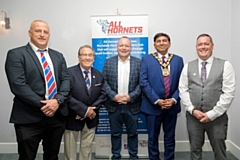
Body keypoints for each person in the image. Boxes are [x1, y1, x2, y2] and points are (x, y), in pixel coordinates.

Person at [5, 20, 70, 160]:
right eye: (38, 31)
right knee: (27, 157)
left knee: (52, 156)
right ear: (30, 33)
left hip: (56, 117)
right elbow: (18, 85)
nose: (42, 34)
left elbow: (66, 80)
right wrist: (46, 104)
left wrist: (57, 101)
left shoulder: (58, 56)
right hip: (28, 117)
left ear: (49, 35)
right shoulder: (16, 54)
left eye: (45, 32)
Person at [179, 33, 236, 160]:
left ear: (212, 46)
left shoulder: (225, 65)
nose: (203, 47)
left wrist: (212, 114)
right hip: (194, 118)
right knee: (195, 151)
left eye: (206, 44)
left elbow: (228, 92)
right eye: (200, 44)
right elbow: (183, 90)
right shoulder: (188, 66)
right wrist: (192, 110)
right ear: (196, 47)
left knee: (219, 151)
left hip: (217, 118)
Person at [140, 33, 184, 160]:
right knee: (152, 138)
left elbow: (183, 82)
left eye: (164, 41)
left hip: (172, 106)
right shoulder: (147, 59)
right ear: (154, 45)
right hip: (152, 107)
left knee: (170, 137)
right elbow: (143, 82)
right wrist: (157, 100)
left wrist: (174, 99)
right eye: (158, 41)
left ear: (169, 43)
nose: (161, 43)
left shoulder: (178, 60)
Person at [64, 45, 107, 160]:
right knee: (70, 151)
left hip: (91, 118)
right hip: (73, 117)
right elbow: (66, 95)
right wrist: (84, 110)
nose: (87, 58)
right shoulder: (68, 73)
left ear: (94, 58)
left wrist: (90, 111)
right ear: (79, 57)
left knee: (86, 150)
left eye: (90, 55)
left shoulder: (99, 75)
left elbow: (103, 95)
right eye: (84, 55)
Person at [102, 36, 142, 160]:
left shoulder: (138, 62)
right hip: (114, 105)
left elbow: (142, 83)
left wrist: (131, 97)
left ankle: (133, 157)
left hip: (132, 105)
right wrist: (114, 96)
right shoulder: (109, 61)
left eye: (126, 46)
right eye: (121, 45)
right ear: (117, 47)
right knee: (115, 134)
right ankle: (115, 156)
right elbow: (104, 82)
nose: (123, 48)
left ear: (131, 47)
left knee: (133, 134)